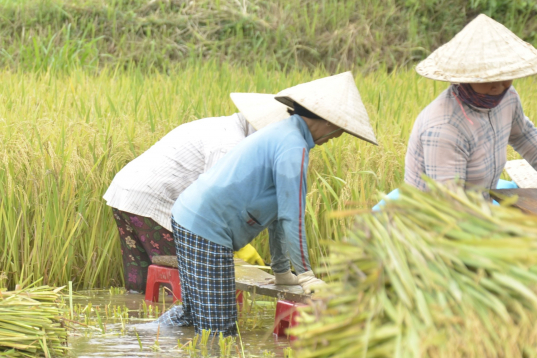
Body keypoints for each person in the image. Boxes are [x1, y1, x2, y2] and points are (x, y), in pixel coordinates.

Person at [161, 72, 378, 337]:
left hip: (189, 216)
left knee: (192, 315)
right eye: (339, 128)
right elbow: (292, 216)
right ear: (324, 121)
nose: (338, 135)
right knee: (220, 331)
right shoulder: (293, 146)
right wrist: (306, 274)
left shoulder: (285, 134)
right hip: (207, 227)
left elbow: (276, 213)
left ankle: (141, 338)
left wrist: (282, 271)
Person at [102, 94, 289, 293]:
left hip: (125, 193)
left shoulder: (219, 125)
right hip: (155, 200)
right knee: (181, 282)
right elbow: (217, 200)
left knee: (142, 280)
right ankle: (170, 322)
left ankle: (136, 318)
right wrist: (240, 248)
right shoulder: (229, 145)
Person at [405, 14, 537, 192]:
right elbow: (450, 204)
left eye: (505, 76)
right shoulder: (445, 129)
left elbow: (522, 135)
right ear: (465, 75)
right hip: (439, 214)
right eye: (488, 78)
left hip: (481, 199)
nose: (499, 86)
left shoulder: (507, 97)